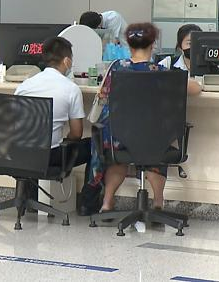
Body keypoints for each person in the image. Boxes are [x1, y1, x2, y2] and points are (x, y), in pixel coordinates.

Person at [84, 23, 201, 214]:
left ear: (129, 45)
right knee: (156, 147)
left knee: (118, 158)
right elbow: (195, 88)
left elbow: (102, 96)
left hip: (118, 140)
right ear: (153, 44)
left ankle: (107, 202)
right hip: (153, 140)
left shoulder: (116, 68)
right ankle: (158, 202)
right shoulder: (162, 72)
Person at [14, 37, 91, 168]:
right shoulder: (71, 89)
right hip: (50, 157)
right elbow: (76, 134)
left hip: (18, 153)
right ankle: (88, 184)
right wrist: (66, 139)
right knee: (94, 145)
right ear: (66, 61)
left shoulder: (24, 86)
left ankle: (28, 182)